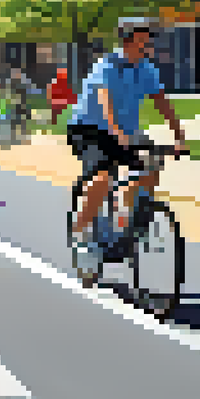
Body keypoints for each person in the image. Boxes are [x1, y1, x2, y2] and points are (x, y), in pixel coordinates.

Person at [68, 18, 190, 250]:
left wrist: (178, 135)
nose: (149, 43)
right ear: (128, 41)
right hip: (89, 130)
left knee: (151, 166)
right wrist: (116, 132)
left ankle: (132, 224)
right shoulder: (107, 65)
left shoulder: (147, 69)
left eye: (149, 38)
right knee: (103, 176)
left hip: (126, 132)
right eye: (143, 38)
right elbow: (105, 99)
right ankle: (80, 231)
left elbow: (162, 102)